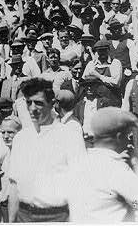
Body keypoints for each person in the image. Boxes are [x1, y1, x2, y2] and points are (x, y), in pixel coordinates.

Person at [7, 78, 86, 222]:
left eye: (38, 103)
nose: (32, 108)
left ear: (52, 104)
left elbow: (80, 184)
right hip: (24, 216)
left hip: (57, 217)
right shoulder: (20, 138)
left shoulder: (69, 135)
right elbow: (13, 186)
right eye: (28, 102)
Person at [67, 107, 138, 222]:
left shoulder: (80, 161)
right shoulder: (114, 168)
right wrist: (137, 166)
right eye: (128, 135)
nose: (129, 140)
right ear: (119, 137)